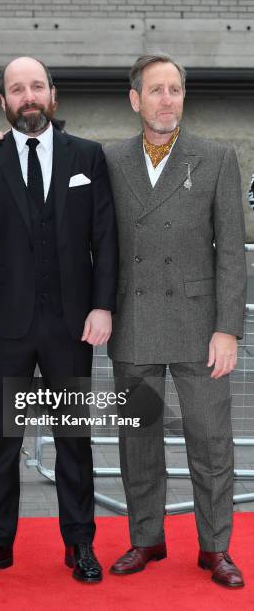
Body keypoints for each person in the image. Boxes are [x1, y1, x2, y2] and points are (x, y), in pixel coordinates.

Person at [0, 56, 117, 583]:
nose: (28, 96)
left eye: (37, 86)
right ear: (3, 103)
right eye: (17, 89)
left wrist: (102, 304)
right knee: (0, 441)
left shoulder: (88, 157)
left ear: (53, 95)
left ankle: (79, 545)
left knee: (74, 439)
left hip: (72, 326)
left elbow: (105, 240)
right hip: (4, 327)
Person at [105, 54, 246, 588]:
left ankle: (216, 548)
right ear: (135, 99)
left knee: (211, 442)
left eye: (175, 90)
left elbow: (232, 251)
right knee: (138, 442)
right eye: (156, 90)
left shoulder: (215, 157)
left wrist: (228, 327)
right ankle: (146, 539)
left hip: (199, 325)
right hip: (134, 321)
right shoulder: (110, 160)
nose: (167, 99)